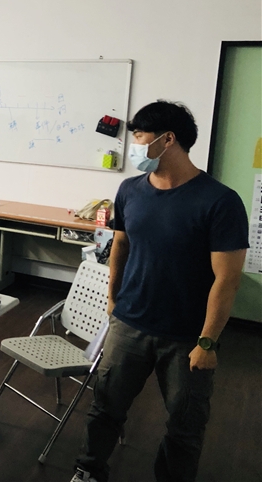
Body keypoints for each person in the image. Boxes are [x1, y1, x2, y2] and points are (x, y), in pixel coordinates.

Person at [71, 101, 248, 482]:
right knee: (105, 408)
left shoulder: (220, 202)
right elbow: (120, 246)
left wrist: (207, 342)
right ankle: (88, 470)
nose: (134, 145)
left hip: (186, 337)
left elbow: (227, 279)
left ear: (168, 140)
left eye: (139, 136)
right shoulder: (130, 191)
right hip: (129, 325)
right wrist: (113, 299)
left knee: (185, 426)